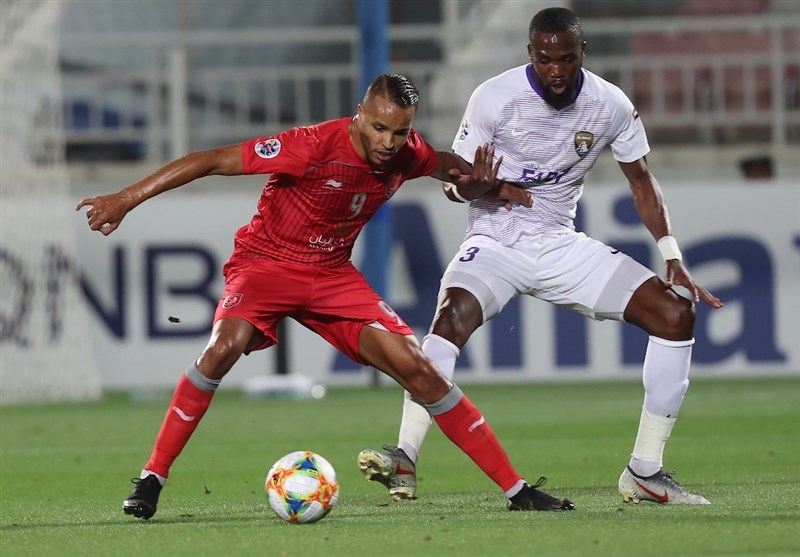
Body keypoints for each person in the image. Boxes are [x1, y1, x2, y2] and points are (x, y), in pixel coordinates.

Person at [76, 73, 574, 520]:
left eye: (400, 132)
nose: (388, 142)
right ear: (360, 114)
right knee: (221, 350)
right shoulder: (310, 145)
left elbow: (440, 163)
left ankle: (517, 490)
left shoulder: (406, 152)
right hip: (265, 265)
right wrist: (126, 198)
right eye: (379, 128)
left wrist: (489, 186)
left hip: (331, 276)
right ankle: (152, 478)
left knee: (421, 369)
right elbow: (210, 160)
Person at [358, 9, 724, 506]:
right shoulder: (494, 97)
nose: (556, 70)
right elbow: (454, 185)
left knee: (676, 314)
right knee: (449, 322)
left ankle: (645, 471)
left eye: (566, 59)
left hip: (558, 244)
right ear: (530, 53)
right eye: (545, 59)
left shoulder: (610, 104)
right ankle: (404, 457)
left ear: (583, 53)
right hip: (494, 240)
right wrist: (478, 187)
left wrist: (671, 252)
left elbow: (641, 180)